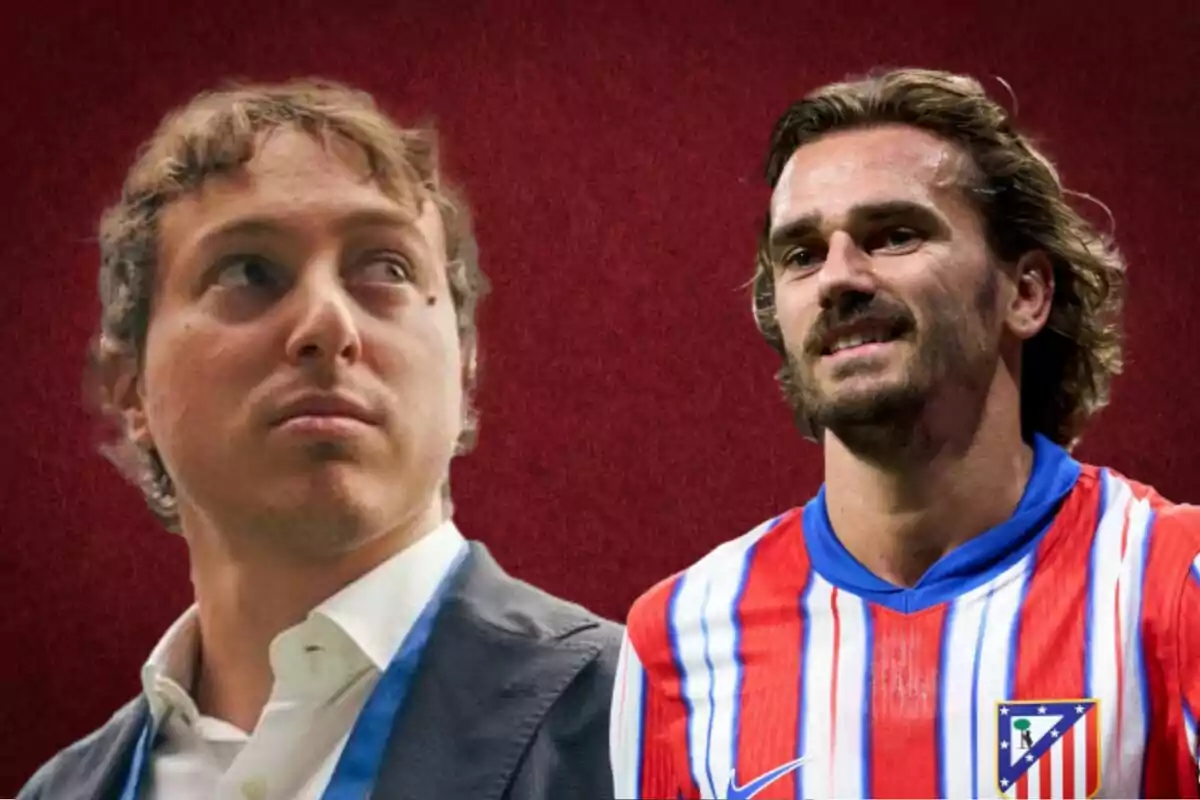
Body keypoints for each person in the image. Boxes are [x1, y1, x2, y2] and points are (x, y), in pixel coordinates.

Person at [20, 79, 620, 800]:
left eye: (385, 269)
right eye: (249, 271)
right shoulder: (61, 791)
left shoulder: (647, 730)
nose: (328, 325)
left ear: (464, 365)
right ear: (130, 387)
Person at [611, 68, 1200, 799]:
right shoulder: (678, 638)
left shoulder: (1171, 583)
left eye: (893, 236)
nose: (838, 277)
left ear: (1024, 293)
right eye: (801, 253)